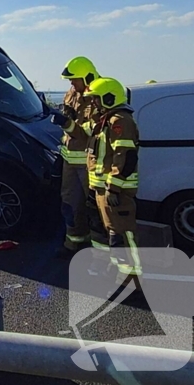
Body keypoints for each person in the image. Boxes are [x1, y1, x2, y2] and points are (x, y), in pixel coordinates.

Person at [84, 77, 142, 282]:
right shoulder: (105, 121)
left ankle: (131, 282)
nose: (93, 103)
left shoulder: (120, 121)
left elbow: (125, 156)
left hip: (116, 192)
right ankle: (120, 274)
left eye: (96, 99)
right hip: (103, 189)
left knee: (121, 236)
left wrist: (114, 188)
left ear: (109, 98)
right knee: (112, 233)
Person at [51, 57, 101, 258]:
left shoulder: (98, 95)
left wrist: (67, 124)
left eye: (74, 80)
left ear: (86, 77)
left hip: (90, 162)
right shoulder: (72, 93)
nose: (71, 84)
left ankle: (99, 254)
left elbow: (89, 131)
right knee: (70, 204)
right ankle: (73, 245)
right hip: (70, 161)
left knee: (95, 209)